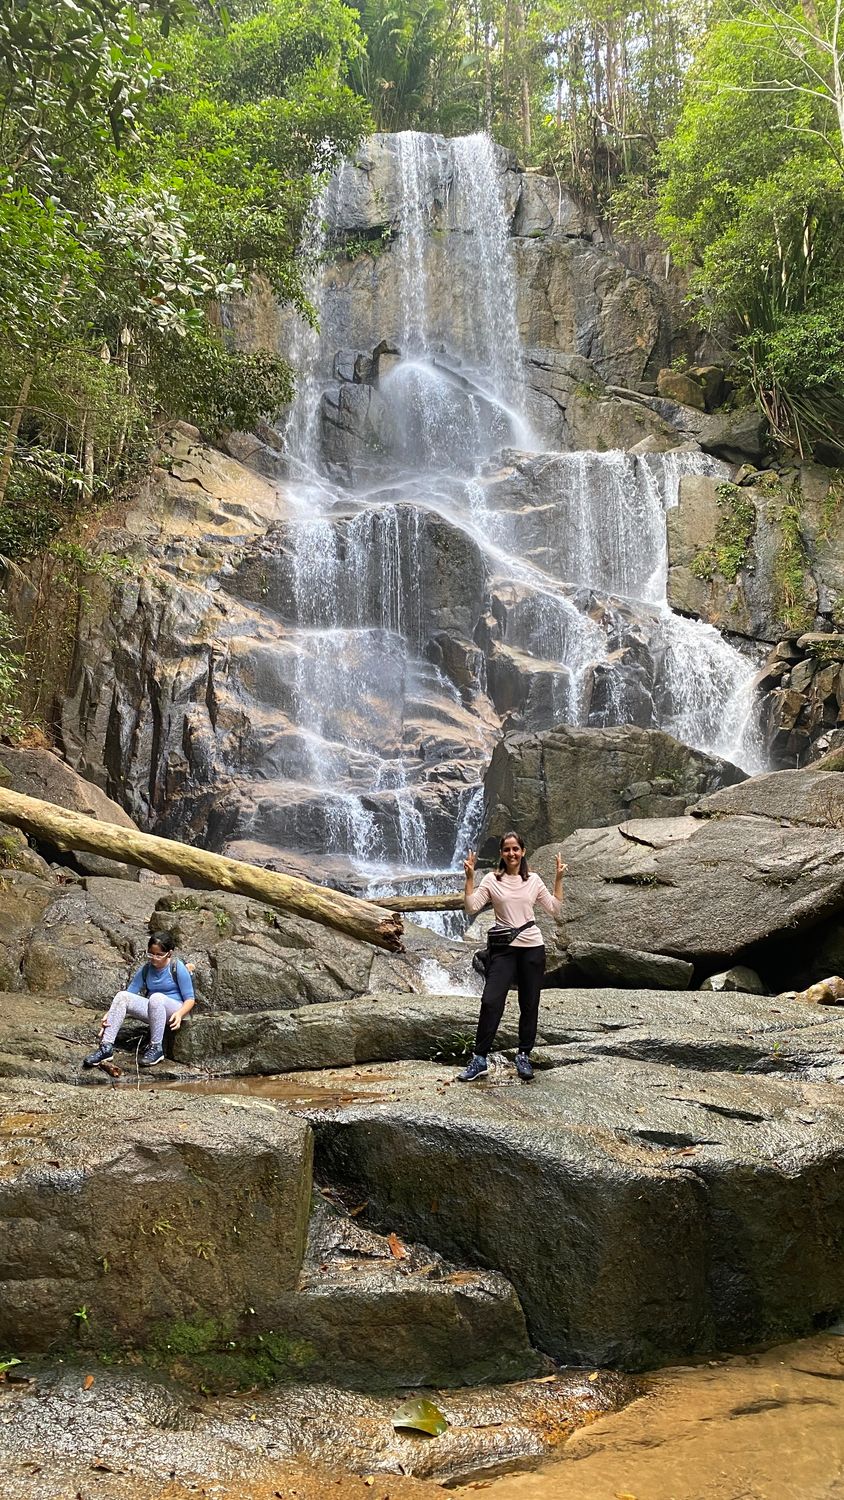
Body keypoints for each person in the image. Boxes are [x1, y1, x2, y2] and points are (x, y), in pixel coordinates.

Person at [458, 832, 564, 1083]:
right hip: (504, 949)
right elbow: (472, 907)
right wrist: (470, 878)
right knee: (491, 1000)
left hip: (532, 947)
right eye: (507, 849)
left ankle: (524, 1055)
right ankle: (480, 1058)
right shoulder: (492, 880)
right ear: (501, 854)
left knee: (529, 1003)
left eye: (515, 849)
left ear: (523, 851)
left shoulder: (534, 880)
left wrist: (559, 879)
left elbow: (554, 910)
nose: (511, 853)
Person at [83, 931, 195, 1070]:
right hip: (155, 1010)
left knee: (156, 997)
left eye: (159, 955)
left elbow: (190, 999)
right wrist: (110, 1015)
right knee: (122, 996)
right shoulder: (146, 969)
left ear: (169, 953)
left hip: (174, 1009)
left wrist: (180, 1014)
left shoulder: (177, 967)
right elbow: (130, 994)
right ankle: (106, 1047)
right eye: (151, 954)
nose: (154, 958)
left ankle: (156, 1048)